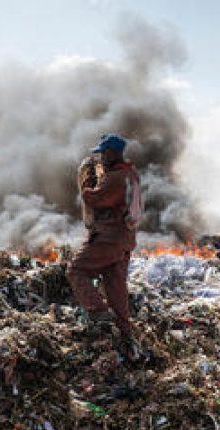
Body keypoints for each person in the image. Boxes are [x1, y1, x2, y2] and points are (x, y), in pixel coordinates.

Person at [67, 133, 141, 343]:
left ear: (113, 153)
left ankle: (99, 312)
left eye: (103, 154)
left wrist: (87, 183)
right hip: (125, 241)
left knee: (76, 269)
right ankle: (126, 338)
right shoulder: (131, 174)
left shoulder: (116, 178)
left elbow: (95, 198)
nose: (100, 158)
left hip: (108, 237)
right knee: (115, 289)